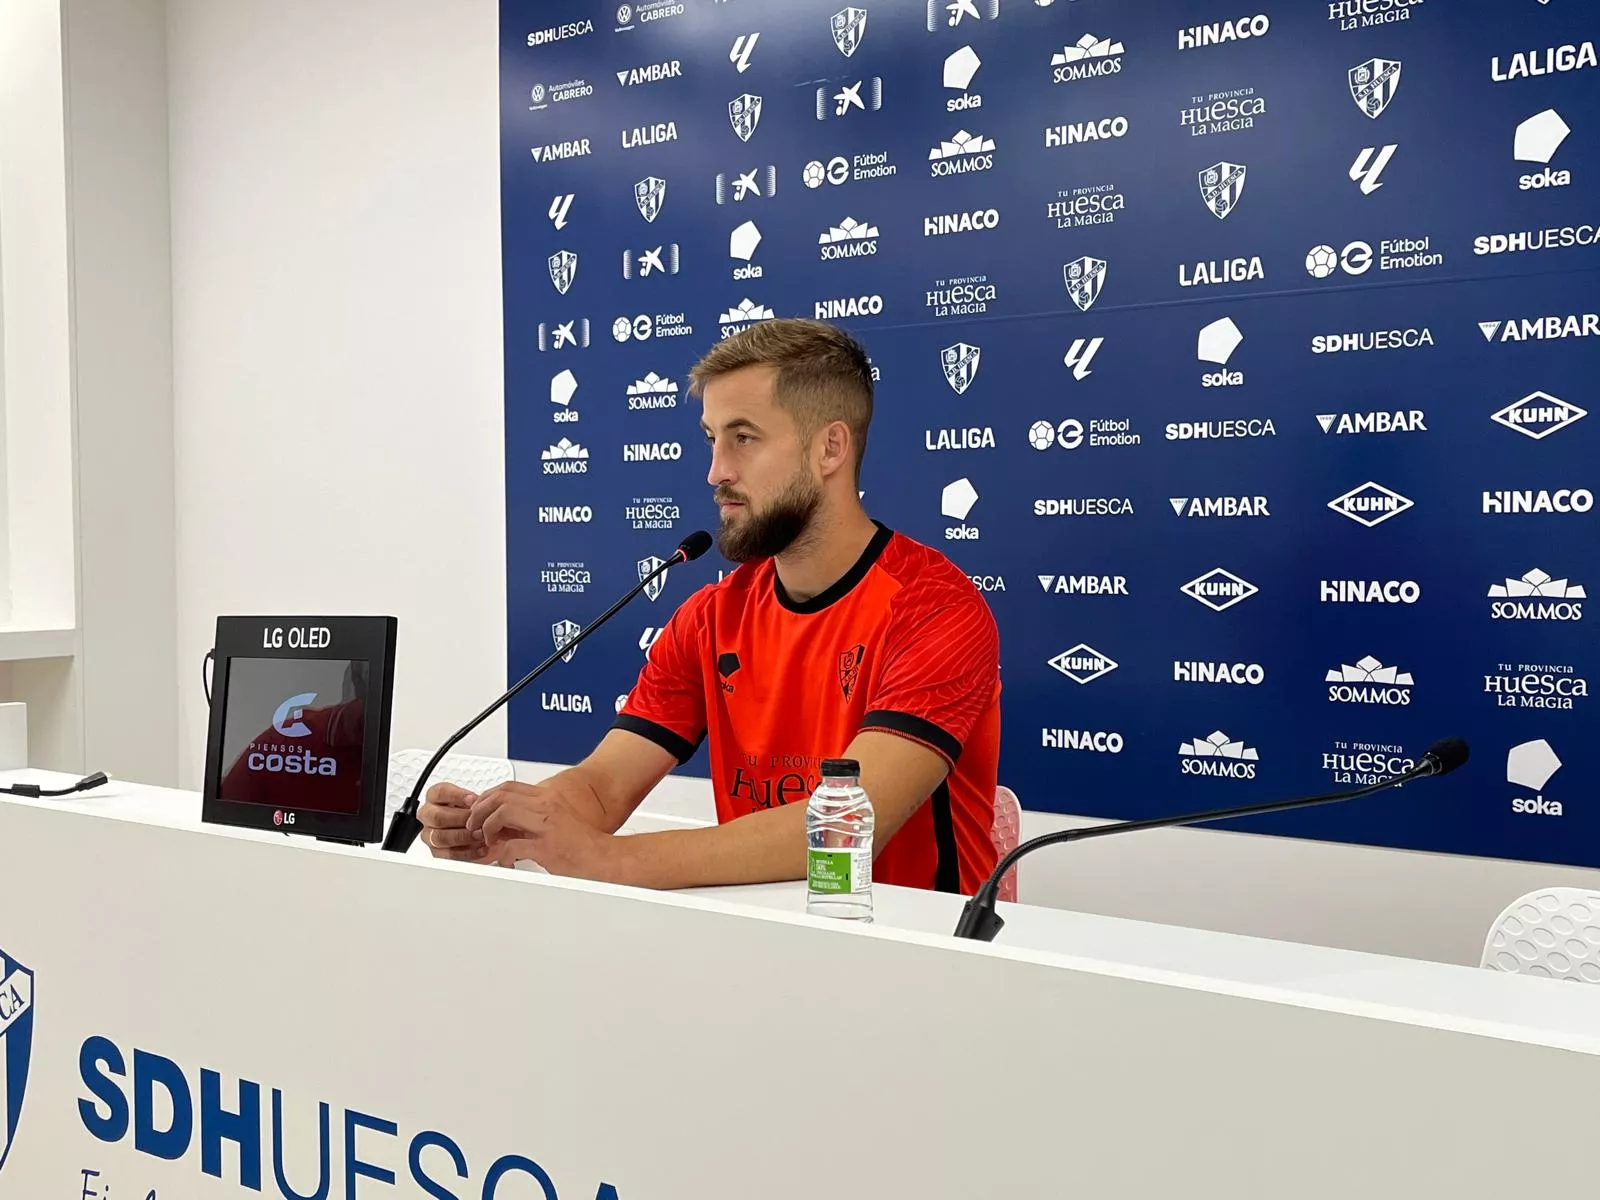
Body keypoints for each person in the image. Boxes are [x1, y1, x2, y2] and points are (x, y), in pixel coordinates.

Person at [420, 318, 1002, 893]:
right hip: (757, 942)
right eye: (712, 439)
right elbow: (602, 788)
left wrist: (609, 859)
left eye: (744, 438)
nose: (716, 471)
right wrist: (512, 823)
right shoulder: (710, 616)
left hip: (917, 956)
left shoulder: (936, 611)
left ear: (830, 448)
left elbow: (848, 828)